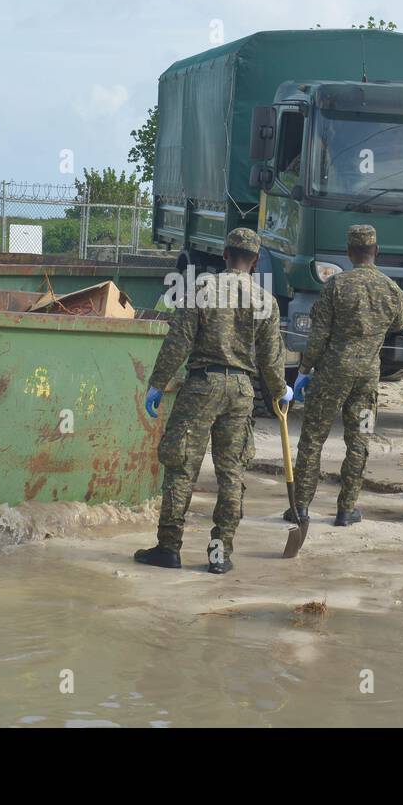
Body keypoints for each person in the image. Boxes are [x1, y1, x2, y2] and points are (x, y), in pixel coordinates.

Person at [135, 228, 290, 574]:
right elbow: (270, 358)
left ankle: (169, 548)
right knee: (231, 474)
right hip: (240, 390)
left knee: (181, 467)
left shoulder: (201, 290)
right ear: (255, 259)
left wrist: (157, 384)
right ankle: (220, 554)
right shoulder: (266, 301)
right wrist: (281, 390)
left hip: (201, 387)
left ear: (224, 254)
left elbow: (179, 341)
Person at [288, 224, 403, 527]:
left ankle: (300, 507)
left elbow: (318, 336)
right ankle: (346, 510)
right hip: (367, 377)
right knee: (359, 440)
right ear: (376, 252)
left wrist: (304, 371)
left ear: (349, 253)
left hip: (332, 373)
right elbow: (400, 323)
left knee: (313, 439)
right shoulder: (391, 289)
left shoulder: (336, 286)